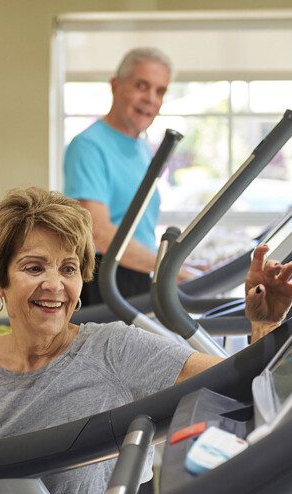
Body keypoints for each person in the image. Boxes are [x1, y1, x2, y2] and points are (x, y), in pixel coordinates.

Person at [0, 187, 292, 494]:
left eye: (68, 268)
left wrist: (264, 323)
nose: (54, 285)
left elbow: (240, 385)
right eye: (33, 267)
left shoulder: (115, 350)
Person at [64, 47, 196, 307]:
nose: (151, 99)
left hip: (137, 275)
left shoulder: (141, 148)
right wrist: (172, 270)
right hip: (104, 278)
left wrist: (178, 264)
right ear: (115, 86)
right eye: (141, 86)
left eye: (160, 91)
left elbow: (138, 229)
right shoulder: (89, 146)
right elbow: (98, 232)